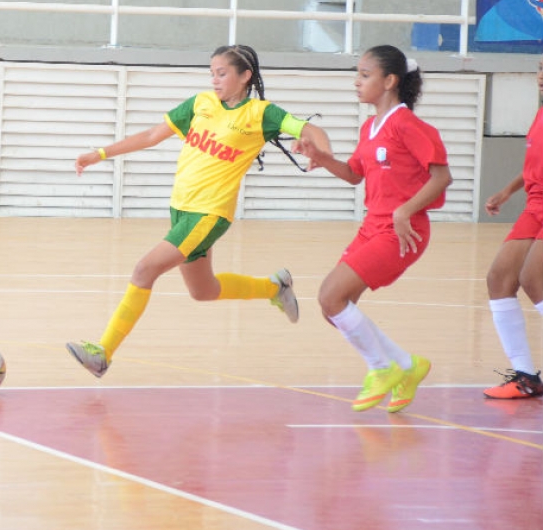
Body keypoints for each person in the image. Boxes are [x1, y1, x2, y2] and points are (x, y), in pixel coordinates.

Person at [65, 44, 331, 378]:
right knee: (204, 292)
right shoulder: (201, 103)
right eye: (212, 74)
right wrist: (100, 154)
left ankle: (102, 353)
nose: (215, 80)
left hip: (209, 214)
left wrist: (321, 152)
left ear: (245, 76)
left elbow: (311, 130)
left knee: (144, 270)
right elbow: (151, 135)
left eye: (222, 74)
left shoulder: (261, 114)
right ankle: (274, 287)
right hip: (180, 209)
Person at [299, 45, 451, 413]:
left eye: (365, 75)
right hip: (373, 225)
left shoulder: (408, 125)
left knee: (332, 297)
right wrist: (322, 159)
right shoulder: (370, 126)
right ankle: (405, 366)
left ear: (390, 81)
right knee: (331, 306)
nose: (357, 81)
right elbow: (354, 174)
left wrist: (405, 211)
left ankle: (381, 368)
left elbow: (442, 176)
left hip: (403, 231)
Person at [479, 54, 543, 401]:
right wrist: (507, 190)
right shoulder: (539, 113)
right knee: (499, 279)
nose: (541, 76)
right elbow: (534, 163)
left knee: (534, 279)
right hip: (534, 206)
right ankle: (526, 377)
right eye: (540, 69)